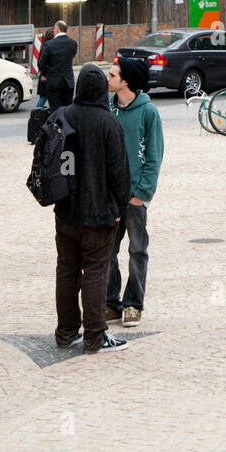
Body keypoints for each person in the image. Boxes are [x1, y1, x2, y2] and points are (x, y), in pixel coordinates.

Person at [54, 64, 131, 353]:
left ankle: (65, 333)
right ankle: (95, 336)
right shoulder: (108, 122)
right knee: (96, 272)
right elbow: (119, 173)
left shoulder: (62, 116)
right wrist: (119, 207)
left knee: (66, 270)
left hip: (66, 212)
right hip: (99, 214)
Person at [105, 57, 164, 330]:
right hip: (111, 196)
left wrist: (141, 193)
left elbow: (154, 155)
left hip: (135, 197)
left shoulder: (148, 112)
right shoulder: (109, 109)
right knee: (106, 250)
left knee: (137, 251)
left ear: (125, 81)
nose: (108, 77)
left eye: (113, 74)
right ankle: (111, 302)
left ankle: (133, 304)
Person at [37, 20, 78, 110]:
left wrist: (45, 74)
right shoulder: (73, 43)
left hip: (53, 82)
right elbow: (72, 56)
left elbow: (41, 63)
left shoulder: (49, 44)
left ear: (56, 29)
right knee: (67, 109)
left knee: (55, 110)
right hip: (68, 82)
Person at [34, 26, 55, 108]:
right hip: (46, 78)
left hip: (43, 78)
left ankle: (36, 114)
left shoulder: (43, 46)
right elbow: (42, 63)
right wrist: (45, 75)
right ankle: (36, 114)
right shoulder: (48, 48)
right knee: (45, 99)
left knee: (43, 98)